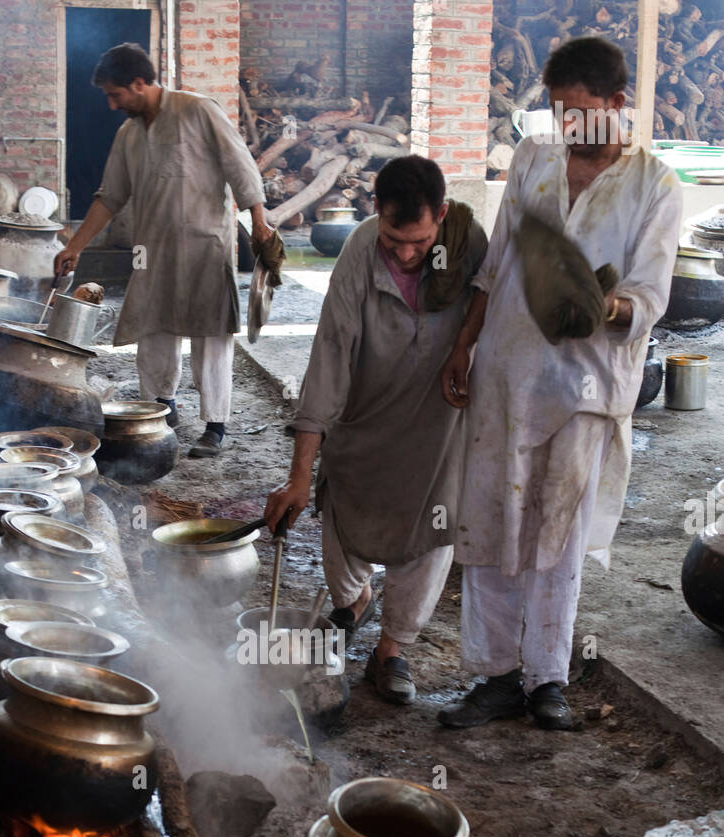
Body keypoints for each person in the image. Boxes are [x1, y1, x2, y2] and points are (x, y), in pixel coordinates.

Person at [438, 35, 683, 731]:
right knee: (491, 521)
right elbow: (496, 265)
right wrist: (464, 343)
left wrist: (602, 304)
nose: (569, 127)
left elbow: (651, 292)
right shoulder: (533, 159)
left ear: (617, 104)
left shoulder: (654, 184)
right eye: (558, 113)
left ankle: (548, 678)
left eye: (581, 113)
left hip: (586, 386)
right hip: (508, 373)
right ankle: (493, 676)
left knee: (558, 532)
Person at [264, 155, 487, 704]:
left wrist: (463, 348)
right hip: (362, 421)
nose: (406, 254)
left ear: (442, 214)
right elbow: (330, 360)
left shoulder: (468, 244)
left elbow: (490, 304)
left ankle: (392, 651)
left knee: (431, 531)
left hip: (438, 428)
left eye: (418, 241)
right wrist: (298, 476)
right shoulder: (361, 251)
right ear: (375, 213)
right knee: (342, 514)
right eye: (393, 238)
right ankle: (354, 602)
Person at [54, 43, 274, 458]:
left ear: (140, 83)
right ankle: (160, 407)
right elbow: (110, 196)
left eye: (115, 94)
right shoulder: (129, 134)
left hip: (206, 245)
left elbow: (240, 166)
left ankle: (215, 425)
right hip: (151, 250)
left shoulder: (198, 110)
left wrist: (259, 222)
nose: (111, 103)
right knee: (154, 328)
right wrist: (75, 246)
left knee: (211, 333)